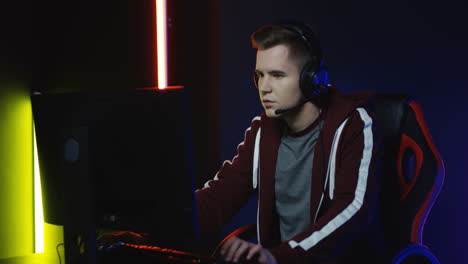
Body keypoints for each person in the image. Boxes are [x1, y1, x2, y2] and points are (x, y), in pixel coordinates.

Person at [195, 21, 383, 264]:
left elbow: (353, 210)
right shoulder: (263, 130)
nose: (264, 88)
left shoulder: (353, 124)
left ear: (311, 79)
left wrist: (279, 256)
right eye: (259, 75)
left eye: (277, 75)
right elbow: (221, 196)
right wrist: (160, 217)